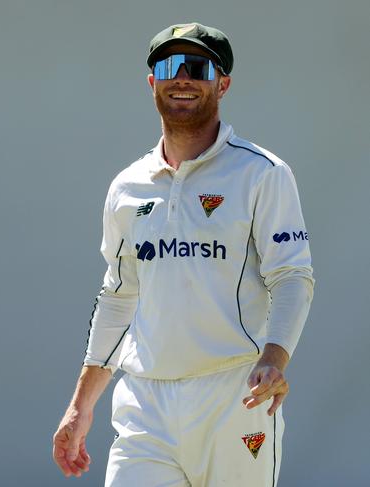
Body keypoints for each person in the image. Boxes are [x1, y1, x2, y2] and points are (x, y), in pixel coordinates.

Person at [52, 22, 314, 486]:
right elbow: (117, 295)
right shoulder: (126, 186)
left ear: (223, 83)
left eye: (198, 67)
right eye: (170, 66)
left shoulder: (262, 173)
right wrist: (81, 405)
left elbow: (292, 276)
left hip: (234, 396)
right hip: (145, 405)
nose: (183, 78)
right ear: (152, 81)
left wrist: (275, 358)